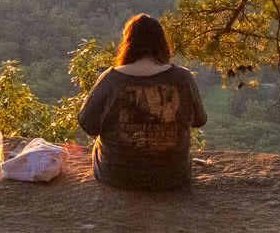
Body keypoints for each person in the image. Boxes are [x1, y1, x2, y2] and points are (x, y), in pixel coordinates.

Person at [76, 13, 208, 190]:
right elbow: (200, 120)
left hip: (116, 175)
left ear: (127, 44)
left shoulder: (111, 78)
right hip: (173, 175)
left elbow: (88, 124)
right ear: (162, 43)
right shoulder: (183, 78)